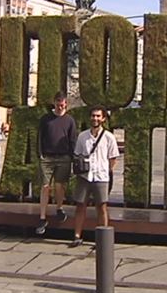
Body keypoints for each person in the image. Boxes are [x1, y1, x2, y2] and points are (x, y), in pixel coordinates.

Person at [70, 105, 119, 247]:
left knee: (102, 206)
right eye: (93, 116)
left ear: (103, 118)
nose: (95, 118)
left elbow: (113, 158)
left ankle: (103, 238)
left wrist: (105, 170)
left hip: (101, 177)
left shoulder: (109, 137)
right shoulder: (82, 136)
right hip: (85, 176)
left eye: (98, 116)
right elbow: (77, 154)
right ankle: (77, 235)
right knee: (80, 205)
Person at [35, 91, 77, 235]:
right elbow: (40, 137)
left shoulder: (70, 120)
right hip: (47, 157)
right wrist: (40, 154)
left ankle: (59, 208)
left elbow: (72, 140)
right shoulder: (45, 119)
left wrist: (72, 157)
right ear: (54, 103)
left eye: (62, 104)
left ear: (66, 104)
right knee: (45, 186)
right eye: (58, 104)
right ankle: (42, 217)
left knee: (60, 186)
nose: (60, 107)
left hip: (64, 157)